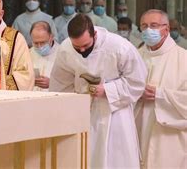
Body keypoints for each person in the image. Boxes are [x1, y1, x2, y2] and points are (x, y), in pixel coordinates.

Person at [49, 14, 146, 168]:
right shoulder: (66, 49)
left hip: (115, 113)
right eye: (77, 47)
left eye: (86, 45)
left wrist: (107, 90)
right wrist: (72, 104)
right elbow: (60, 84)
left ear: (94, 34)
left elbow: (137, 81)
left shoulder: (120, 47)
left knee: (116, 160)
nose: (81, 50)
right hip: (83, 112)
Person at [135, 10, 187, 168]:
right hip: (138, 129)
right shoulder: (134, 56)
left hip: (169, 137)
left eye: (154, 25)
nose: (148, 30)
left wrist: (161, 95)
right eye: (144, 26)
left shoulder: (183, 59)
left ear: (167, 29)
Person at [29, 21, 59, 91]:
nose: (39, 47)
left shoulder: (62, 54)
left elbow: (69, 81)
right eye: (36, 43)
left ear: (51, 37)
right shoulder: (28, 53)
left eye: (43, 42)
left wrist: (53, 83)